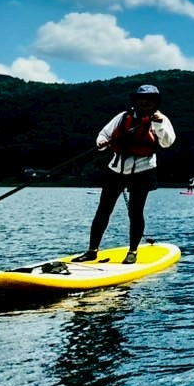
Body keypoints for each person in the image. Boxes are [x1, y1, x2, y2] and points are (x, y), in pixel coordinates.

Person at [74, 84, 175, 265]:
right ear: (135, 101)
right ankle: (92, 251)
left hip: (143, 171)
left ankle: (133, 251)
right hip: (116, 168)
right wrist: (102, 142)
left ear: (155, 102)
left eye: (149, 100)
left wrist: (158, 125)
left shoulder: (161, 119)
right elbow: (104, 134)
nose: (144, 102)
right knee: (103, 211)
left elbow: (167, 143)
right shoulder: (122, 117)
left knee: (136, 213)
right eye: (141, 99)